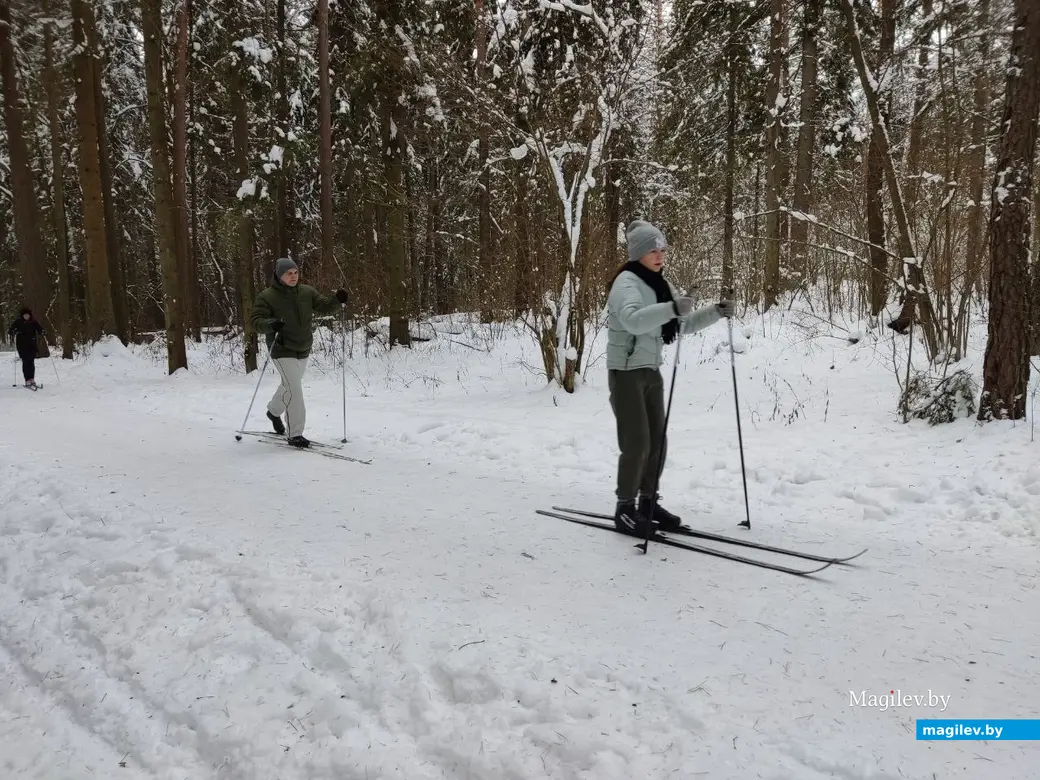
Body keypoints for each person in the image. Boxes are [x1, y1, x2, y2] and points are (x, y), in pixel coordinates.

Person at [605, 219, 733, 537]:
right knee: (637, 443)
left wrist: (716, 311)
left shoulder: (659, 284)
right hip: (626, 373)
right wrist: (671, 308)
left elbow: (683, 323)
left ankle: (648, 502)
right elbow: (634, 321)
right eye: (653, 249)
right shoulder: (627, 283)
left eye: (662, 249)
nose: (660, 254)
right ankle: (625, 508)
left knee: (657, 442)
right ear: (638, 253)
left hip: (650, 370)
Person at [249, 258, 348, 448]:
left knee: (289, 386)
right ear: (279, 275)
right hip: (281, 348)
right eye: (288, 273)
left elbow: (324, 305)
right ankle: (295, 434)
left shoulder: (307, 292)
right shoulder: (267, 296)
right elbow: (255, 321)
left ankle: (273, 411)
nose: (293, 277)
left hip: (303, 347)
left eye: (295, 273)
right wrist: (271, 325)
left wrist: (337, 300)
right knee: (295, 389)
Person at [8, 307, 44, 389]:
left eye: (27, 315)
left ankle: (32, 379)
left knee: (31, 361)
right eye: (25, 315)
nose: (26, 316)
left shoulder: (33, 322)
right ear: (22, 315)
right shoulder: (18, 322)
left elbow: (39, 328)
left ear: (30, 315)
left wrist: (42, 331)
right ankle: (27, 379)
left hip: (32, 344)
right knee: (26, 361)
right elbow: (10, 331)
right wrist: (15, 331)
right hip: (22, 345)